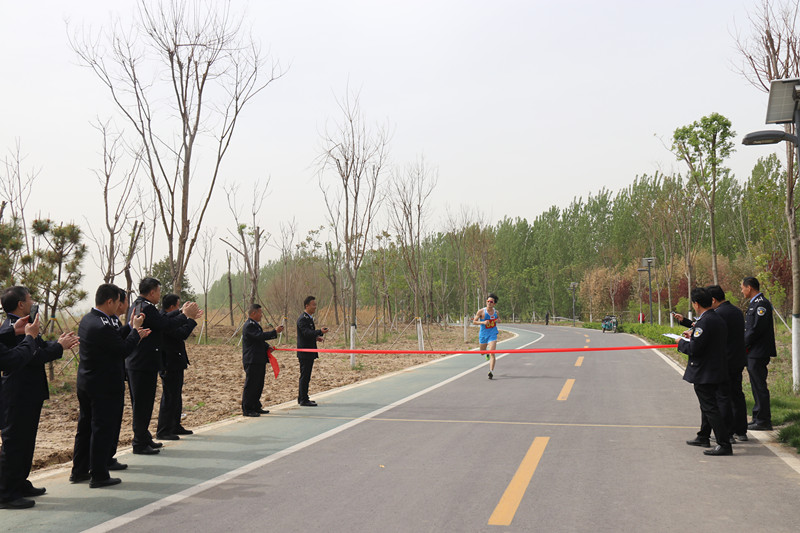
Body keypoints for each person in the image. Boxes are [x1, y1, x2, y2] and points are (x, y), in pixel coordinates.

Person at [0, 286, 79, 509]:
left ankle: (19, 482)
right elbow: (33, 355)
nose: (33, 302)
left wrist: (58, 344)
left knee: (27, 441)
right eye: (30, 299)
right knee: (14, 443)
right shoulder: (11, 329)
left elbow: (40, 346)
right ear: (20, 304)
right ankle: (6, 493)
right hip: (17, 393)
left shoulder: (24, 325)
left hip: (29, 392)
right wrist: (59, 347)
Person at [70, 284, 149, 489]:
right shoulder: (102, 325)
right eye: (118, 302)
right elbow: (122, 349)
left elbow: (113, 339)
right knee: (102, 428)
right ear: (109, 301)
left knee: (85, 427)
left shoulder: (90, 319)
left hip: (87, 382)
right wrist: (136, 332)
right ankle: (99, 474)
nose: (120, 306)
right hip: (103, 385)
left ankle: (80, 470)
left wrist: (130, 328)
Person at [125, 278, 198, 455]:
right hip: (143, 363)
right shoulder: (147, 307)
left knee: (144, 404)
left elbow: (161, 318)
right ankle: (139, 443)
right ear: (152, 292)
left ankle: (144, 438)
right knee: (142, 405)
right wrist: (185, 316)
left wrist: (180, 312)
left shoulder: (139, 305)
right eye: (158, 291)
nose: (159, 294)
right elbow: (165, 324)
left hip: (140, 362)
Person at [677, 287, 732, 456]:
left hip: (705, 371)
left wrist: (680, 342)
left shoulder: (704, 321)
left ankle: (724, 443)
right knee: (707, 406)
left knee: (710, 407)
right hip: (716, 368)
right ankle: (703, 436)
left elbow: (695, 349)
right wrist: (692, 337)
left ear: (696, 304)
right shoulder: (716, 318)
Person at [156, 293, 201, 438]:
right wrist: (191, 319)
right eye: (178, 306)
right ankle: (164, 430)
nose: (180, 309)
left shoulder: (170, 318)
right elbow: (182, 333)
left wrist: (187, 315)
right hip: (168, 363)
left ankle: (175, 425)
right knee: (169, 397)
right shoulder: (165, 321)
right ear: (171, 307)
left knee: (176, 396)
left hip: (176, 362)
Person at [707, 285, 748, 441]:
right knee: (737, 395)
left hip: (724, 361)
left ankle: (727, 433)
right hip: (738, 359)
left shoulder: (718, 314)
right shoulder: (737, 311)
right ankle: (741, 431)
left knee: (723, 397)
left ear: (713, 300)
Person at [741, 276, 777, 431]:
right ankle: (757, 417)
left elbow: (756, 329)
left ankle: (763, 420)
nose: (742, 291)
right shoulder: (754, 303)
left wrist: (741, 344)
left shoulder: (761, 304)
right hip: (753, 351)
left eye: (742, 288)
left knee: (759, 385)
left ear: (749, 287)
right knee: (755, 385)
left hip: (758, 351)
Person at [241, 304, 284, 417]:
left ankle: (256, 406)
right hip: (252, 360)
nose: (261, 315)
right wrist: (274, 332)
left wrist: (267, 347)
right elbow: (259, 336)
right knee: (251, 384)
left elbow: (258, 341)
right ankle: (247, 409)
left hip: (259, 359)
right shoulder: (249, 325)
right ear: (253, 313)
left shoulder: (255, 325)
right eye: (260, 312)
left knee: (259, 384)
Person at [296, 296, 329, 406]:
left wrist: (316, 337)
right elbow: (306, 333)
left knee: (307, 376)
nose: (315, 307)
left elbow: (308, 334)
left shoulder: (309, 318)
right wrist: (319, 331)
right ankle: (303, 399)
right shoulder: (303, 319)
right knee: (305, 376)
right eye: (313, 305)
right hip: (305, 353)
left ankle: (304, 397)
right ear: (307, 306)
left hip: (309, 352)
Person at [473, 293, 500, 379]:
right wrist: (483, 322)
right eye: (488, 301)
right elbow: (474, 322)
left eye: (491, 302)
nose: (489, 303)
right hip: (483, 334)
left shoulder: (496, 312)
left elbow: (498, 319)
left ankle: (491, 371)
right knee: (482, 352)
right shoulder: (481, 311)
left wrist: (498, 320)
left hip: (492, 334)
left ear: (494, 304)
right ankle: (486, 353)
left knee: (492, 352)